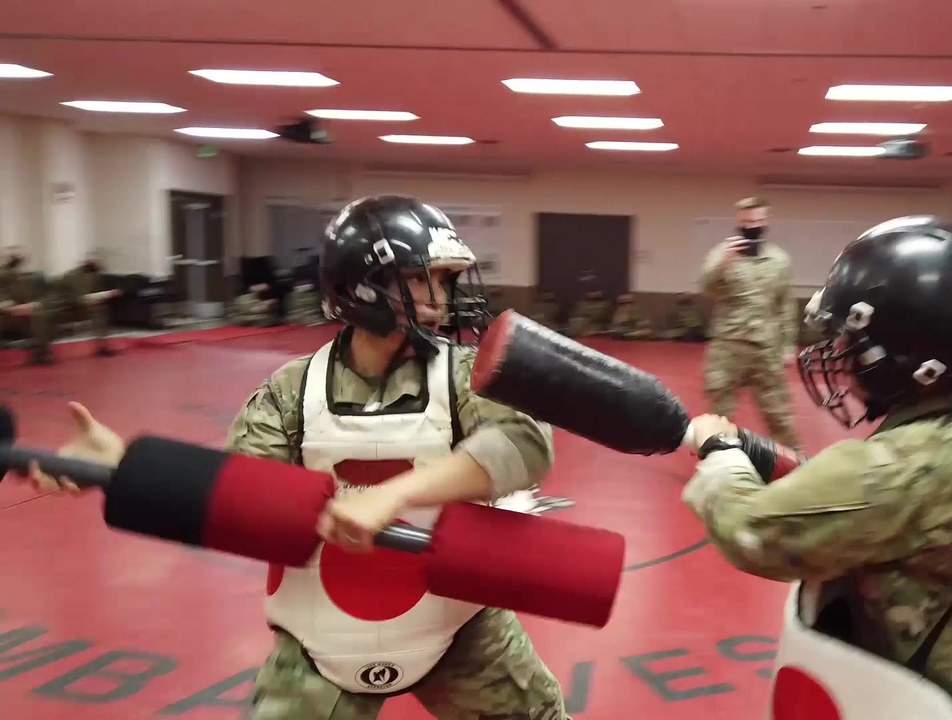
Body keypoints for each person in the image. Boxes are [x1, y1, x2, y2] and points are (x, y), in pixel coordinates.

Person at [14, 195, 570, 720]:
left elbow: (524, 446)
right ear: (368, 288)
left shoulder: (461, 376)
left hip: (459, 623)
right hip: (323, 633)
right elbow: (236, 494)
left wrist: (391, 498)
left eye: (447, 282)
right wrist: (124, 467)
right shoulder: (290, 392)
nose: (444, 299)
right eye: (427, 279)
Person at [681, 216, 952, 720]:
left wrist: (719, 453)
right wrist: (758, 452)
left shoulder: (914, 464)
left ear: (908, 354)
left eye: (853, 339)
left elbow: (754, 530)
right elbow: (880, 500)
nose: (842, 353)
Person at [699, 197, 800, 449]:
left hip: (766, 349)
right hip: (728, 347)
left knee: (779, 413)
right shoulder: (723, 253)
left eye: (757, 220)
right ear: (739, 222)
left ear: (766, 222)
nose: (752, 225)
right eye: (747, 221)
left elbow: (785, 304)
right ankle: (717, 460)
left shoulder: (779, 260)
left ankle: (794, 462)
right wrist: (725, 263)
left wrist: (788, 345)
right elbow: (706, 288)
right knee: (720, 412)